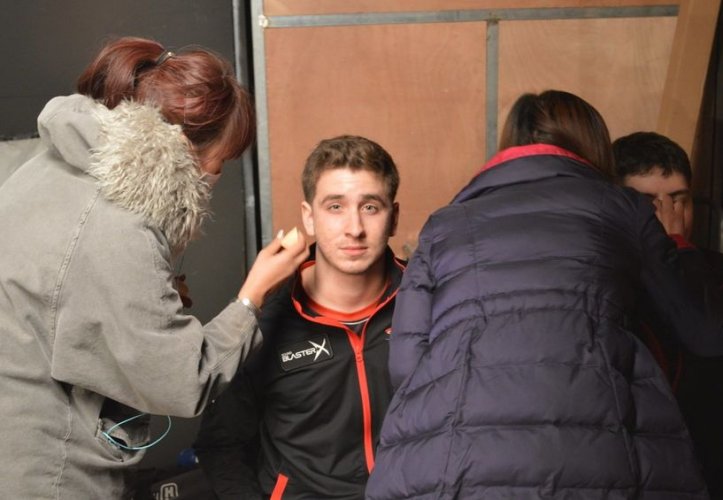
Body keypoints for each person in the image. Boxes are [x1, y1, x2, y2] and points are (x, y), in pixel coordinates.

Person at [365, 90, 723, 499]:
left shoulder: (444, 224)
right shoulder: (623, 209)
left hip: (460, 463)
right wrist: (680, 244)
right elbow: (704, 333)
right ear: (593, 144)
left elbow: (406, 366)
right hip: (599, 457)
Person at [0, 36, 309, 500]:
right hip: (47, 469)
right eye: (219, 163)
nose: (215, 177)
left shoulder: (46, 165)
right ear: (182, 148)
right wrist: (253, 295)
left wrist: (149, 294)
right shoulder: (120, 226)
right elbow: (185, 380)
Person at [193, 135, 406, 499]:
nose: (354, 228)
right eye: (335, 207)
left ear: (394, 217)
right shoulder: (265, 319)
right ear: (309, 217)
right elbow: (221, 445)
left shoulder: (428, 303)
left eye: (370, 207)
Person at [613, 131, 723, 498]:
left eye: (679, 201)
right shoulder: (611, 282)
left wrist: (678, 250)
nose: (668, 218)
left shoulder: (714, 270)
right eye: (648, 204)